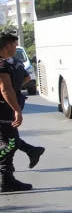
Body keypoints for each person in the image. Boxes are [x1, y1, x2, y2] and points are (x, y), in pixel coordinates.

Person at [0, 32, 32, 192]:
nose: (15, 48)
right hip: (3, 111)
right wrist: (17, 110)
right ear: (8, 46)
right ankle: (7, 180)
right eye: (14, 45)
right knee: (11, 143)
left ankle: (7, 180)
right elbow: (5, 89)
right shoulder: (2, 65)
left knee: (8, 142)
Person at [7, 56, 46, 168]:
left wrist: (10, 90)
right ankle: (30, 151)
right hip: (15, 100)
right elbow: (27, 77)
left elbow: (5, 87)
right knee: (7, 134)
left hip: (8, 103)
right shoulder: (14, 61)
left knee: (7, 135)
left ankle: (8, 166)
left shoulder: (5, 64)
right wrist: (15, 88)